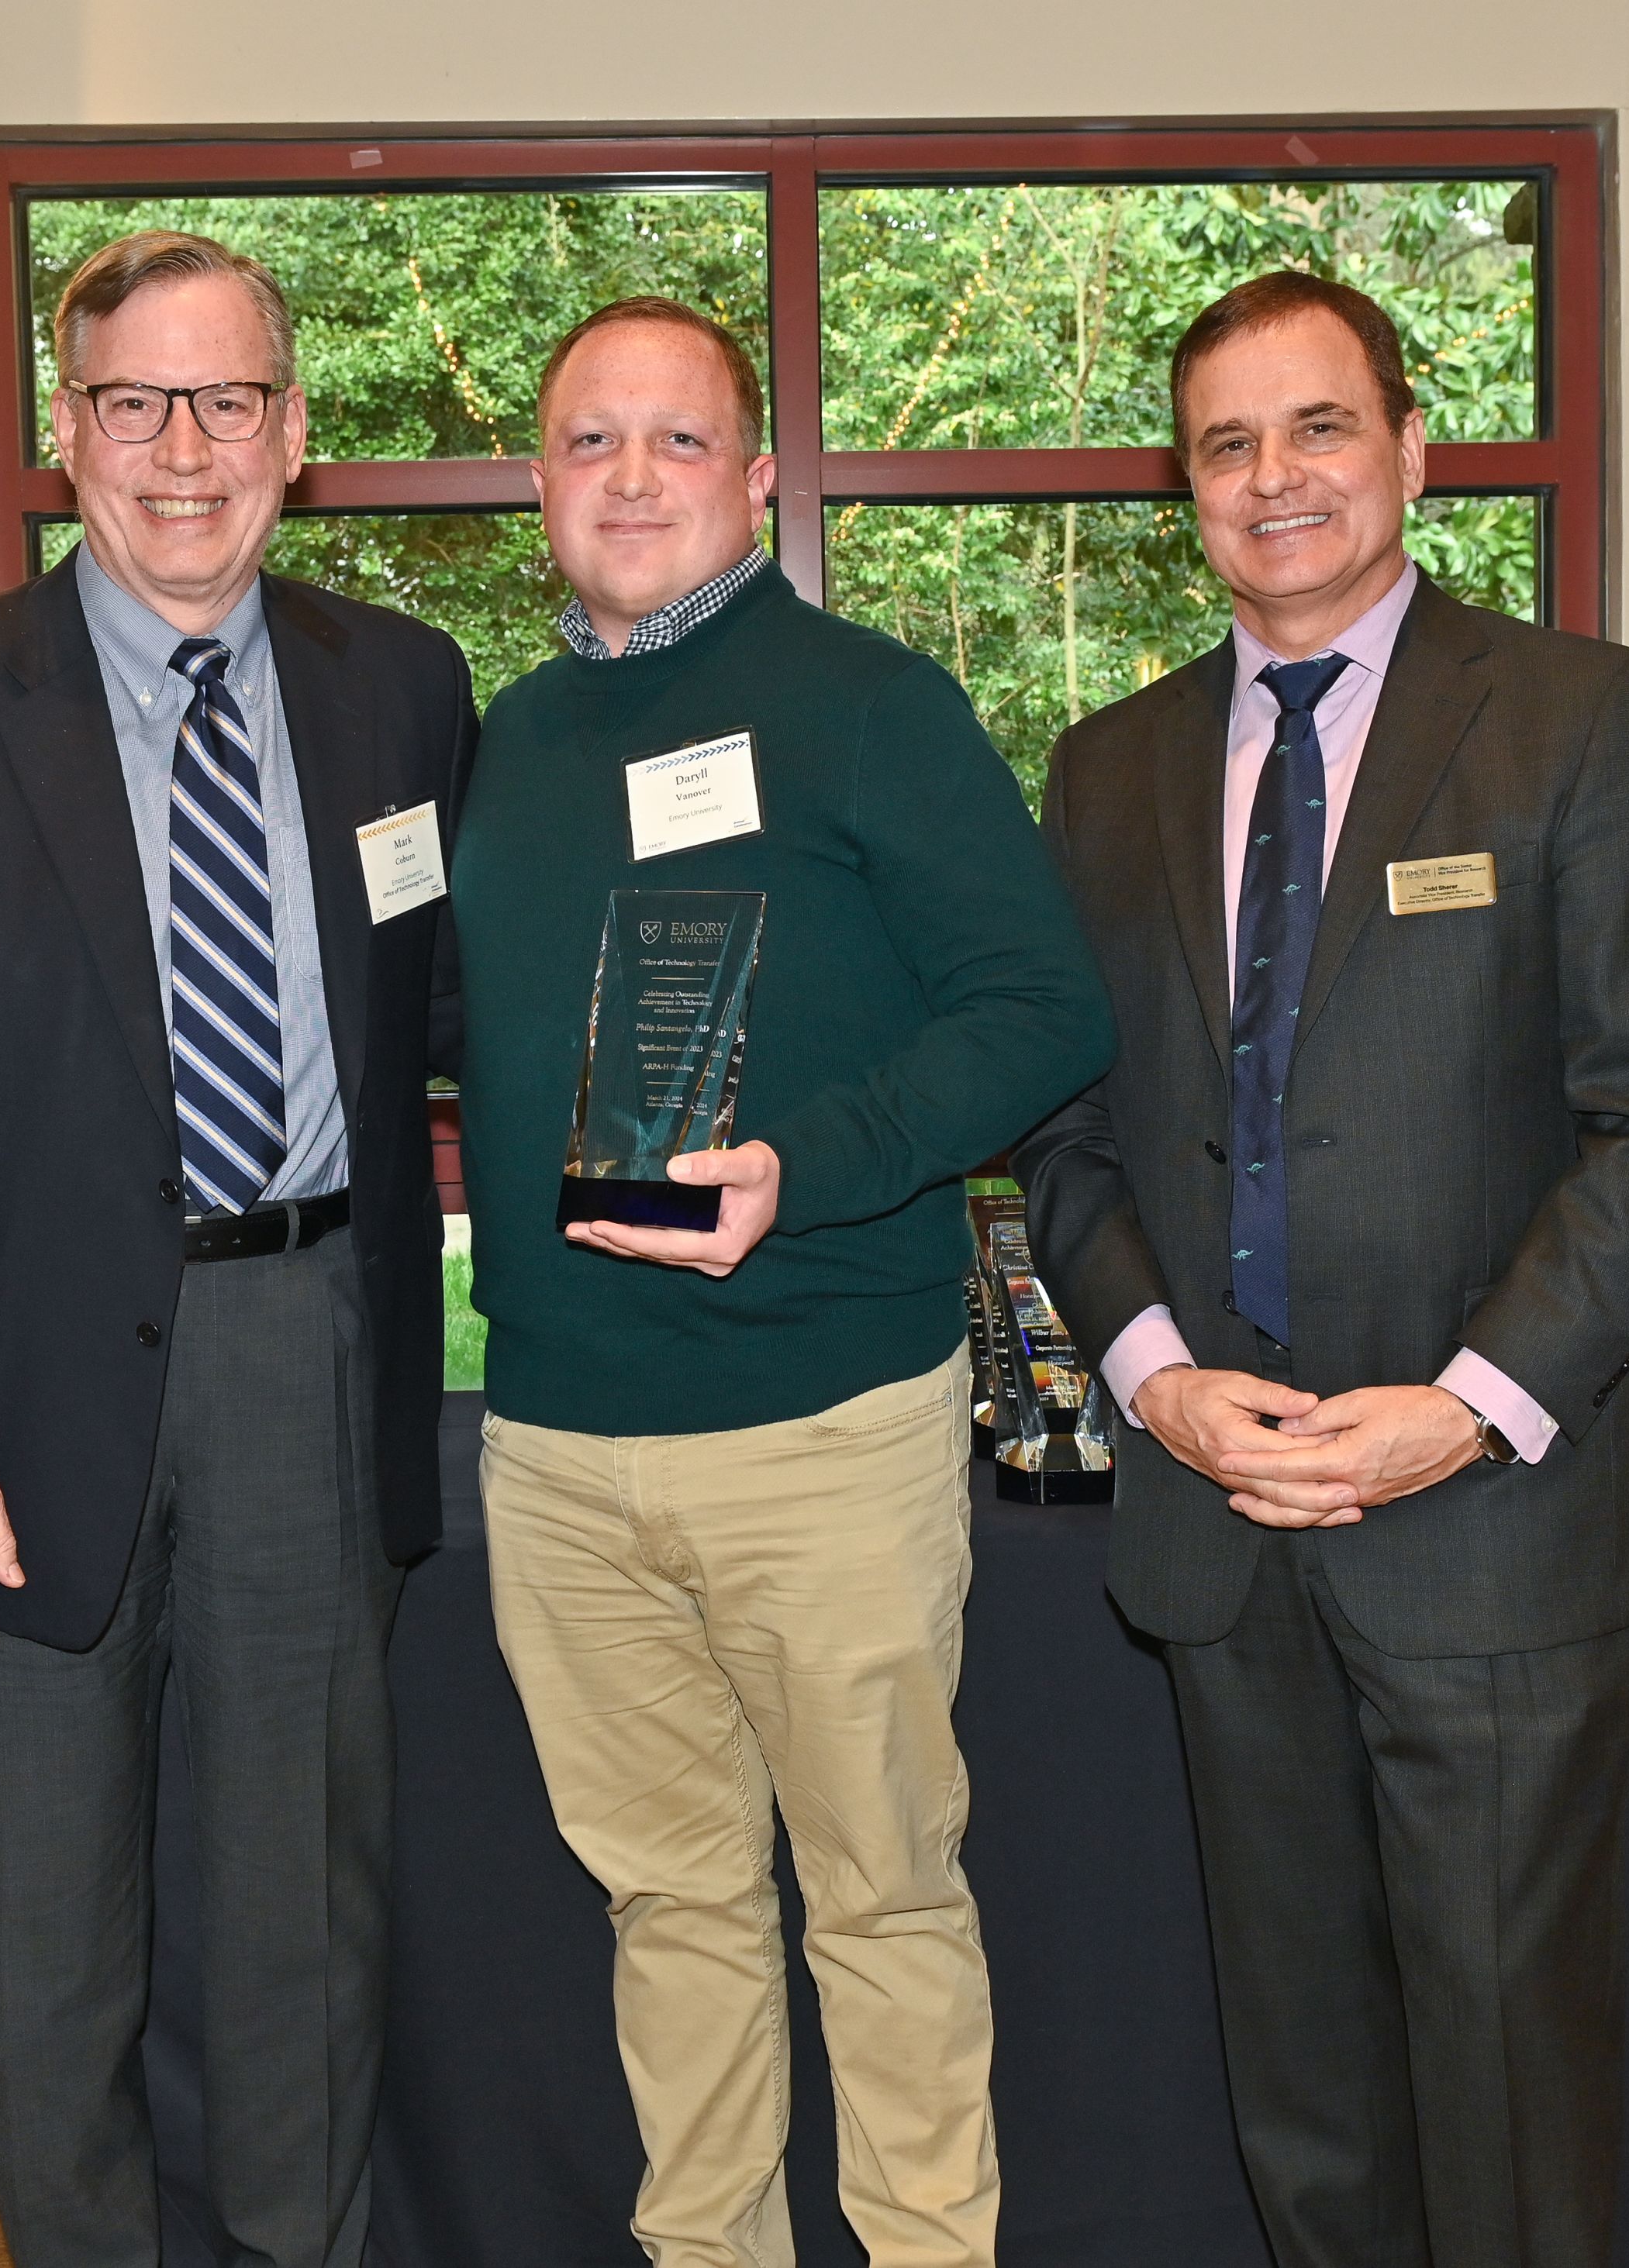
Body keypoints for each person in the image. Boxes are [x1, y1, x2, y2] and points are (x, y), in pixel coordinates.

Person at [0, 231, 474, 2266]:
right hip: (17, 1397)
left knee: (298, 1917)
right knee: (47, 1927)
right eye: (135, 403)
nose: (185, 450)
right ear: (66, 436)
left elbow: (461, 1018)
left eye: (228, 399)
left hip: (311, 1354)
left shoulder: (402, 693)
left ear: (296, 431)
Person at [1016, 271, 1629, 2268]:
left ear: (1408, 449)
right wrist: (1154, 1374)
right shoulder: (1105, 768)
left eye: (1316, 427)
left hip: (1486, 1529)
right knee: (1302, 2090)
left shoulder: (1582, 718)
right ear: (1185, 491)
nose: (1274, 479)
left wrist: (1464, 1406)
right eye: (1226, 444)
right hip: (1221, 1511)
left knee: (1507, 2091)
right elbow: (1067, 1134)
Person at [449, 296, 1113, 2268]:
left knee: (882, 1896)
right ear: (540, 485)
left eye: (675, 441)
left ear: (754, 477)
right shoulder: (507, 739)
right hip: (559, 1441)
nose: (629, 478)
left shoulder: (868, 703)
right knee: (668, 1906)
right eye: (587, 442)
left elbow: (1041, 1008)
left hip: (824, 1421)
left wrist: (803, 1169)